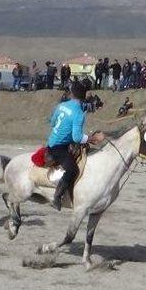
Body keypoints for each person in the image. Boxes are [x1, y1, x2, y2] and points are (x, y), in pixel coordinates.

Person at [46, 81, 104, 211]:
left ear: (71, 93)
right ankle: (57, 196)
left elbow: (52, 122)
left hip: (54, 141)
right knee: (73, 170)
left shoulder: (62, 105)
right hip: (58, 148)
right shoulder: (78, 114)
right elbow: (77, 137)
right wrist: (94, 138)